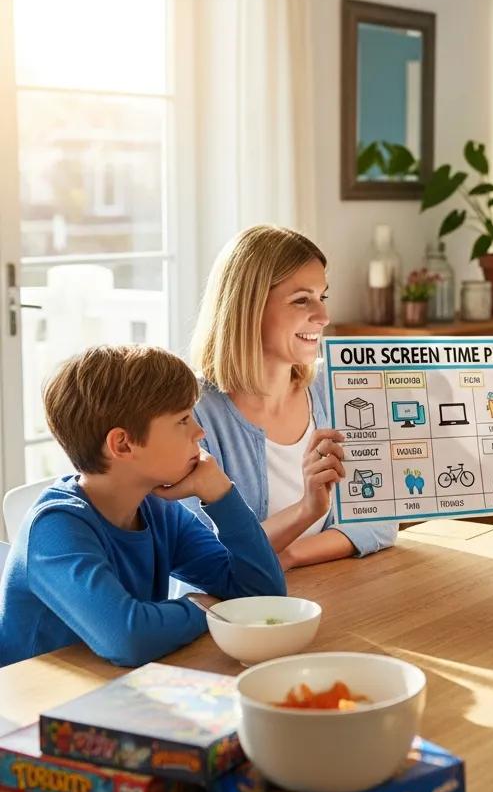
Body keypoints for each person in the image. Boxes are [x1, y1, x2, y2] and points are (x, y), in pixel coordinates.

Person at [0, 346, 286, 667]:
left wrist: (221, 496)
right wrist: (200, 606)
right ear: (123, 444)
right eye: (182, 420)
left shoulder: (157, 511)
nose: (199, 431)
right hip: (33, 707)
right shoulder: (54, 528)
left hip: (113, 691)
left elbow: (265, 597)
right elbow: (128, 639)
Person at [190, 225, 397, 571]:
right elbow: (206, 559)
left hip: (327, 591)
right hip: (230, 618)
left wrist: (288, 556)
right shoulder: (191, 415)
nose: (324, 316)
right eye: (302, 300)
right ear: (248, 307)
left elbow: (379, 520)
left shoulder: (334, 388)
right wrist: (306, 510)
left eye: (323, 296)